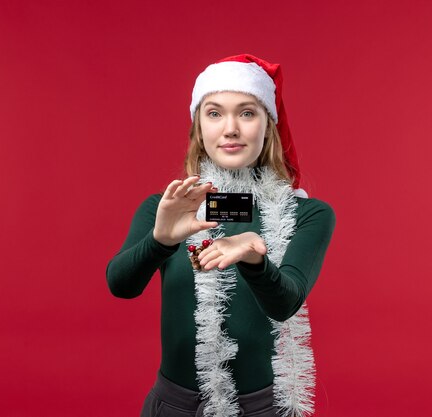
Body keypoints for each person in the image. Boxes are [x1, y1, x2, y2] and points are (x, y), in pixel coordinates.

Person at [106, 54, 335, 417]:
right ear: (198, 127)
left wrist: (254, 258)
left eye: (247, 113)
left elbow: (285, 303)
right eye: (214, 113)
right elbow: (121, 285)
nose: (231, 128)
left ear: (268, 126)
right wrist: (160, 239)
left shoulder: (307, 213)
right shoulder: (167, 208)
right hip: (174, 406)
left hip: (264, 408)